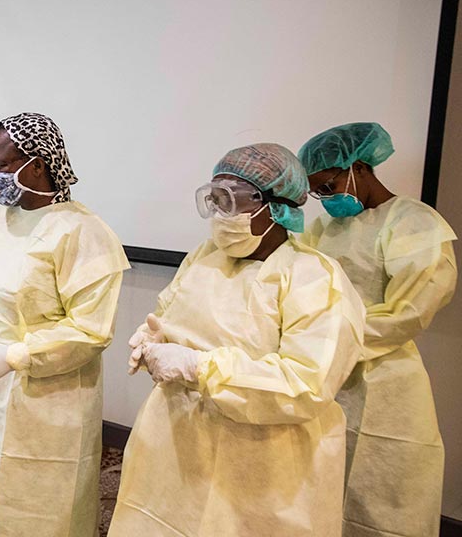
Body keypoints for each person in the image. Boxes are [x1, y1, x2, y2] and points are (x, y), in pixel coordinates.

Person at [109, 143, 366, 536]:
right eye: (212, 201)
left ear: (276, 206)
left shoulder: (314, 278)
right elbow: (169, 310)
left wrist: (199, 367)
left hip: (263, 460)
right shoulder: (205, 257)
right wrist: (153, 337)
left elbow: (305, 384)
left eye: (231, 201)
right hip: (175, 441)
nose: (218, 216)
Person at [0, 112, 129, 536]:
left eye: (2, 165)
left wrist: (16, 355)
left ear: (36, 165)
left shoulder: (83, 233)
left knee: (35, 500)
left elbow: (89, 330)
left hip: (47, 393)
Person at [297, 122, 457, 537]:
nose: (326, 198)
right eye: (319, 191)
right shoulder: (322, 230)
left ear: (361, 167)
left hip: (386, 384)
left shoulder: (412, 223)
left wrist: (333, 337)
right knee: (321, 490)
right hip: (325, 376)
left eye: (330, 184)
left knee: (384, 497)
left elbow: (410, 311)